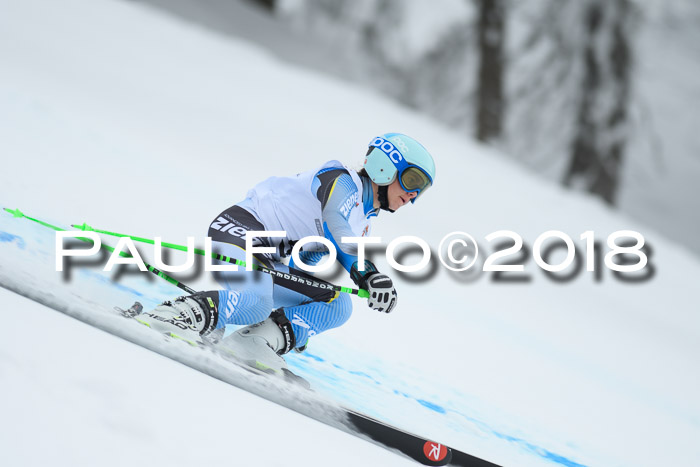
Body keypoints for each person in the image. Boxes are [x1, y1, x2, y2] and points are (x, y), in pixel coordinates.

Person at [136, 133, 436, 373]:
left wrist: (292, 323)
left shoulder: (363, 220)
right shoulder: (342, 180)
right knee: (255, 302)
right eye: (412, 180)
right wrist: (367, 273)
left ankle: (256, 342)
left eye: (420, 190)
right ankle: (171, 316)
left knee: (336, 304)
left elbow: (305, 260)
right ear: (385, 166)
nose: (413, 194)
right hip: (240, 230)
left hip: (267, 259)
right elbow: (335, 221)